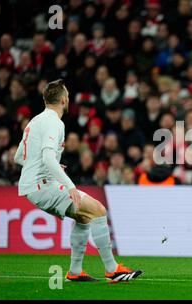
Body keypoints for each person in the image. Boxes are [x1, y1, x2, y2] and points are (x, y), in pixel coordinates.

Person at [14, 79, 142, 283]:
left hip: (35, 185)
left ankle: (75, 271)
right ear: (64, 100)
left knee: (84, 217)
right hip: (43, 185)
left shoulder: (35, 121)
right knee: (99, 210)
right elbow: (47, 157)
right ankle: (112, 269)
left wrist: (50, 165)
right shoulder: (54, 122)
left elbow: (19, 156)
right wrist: (69, 185)